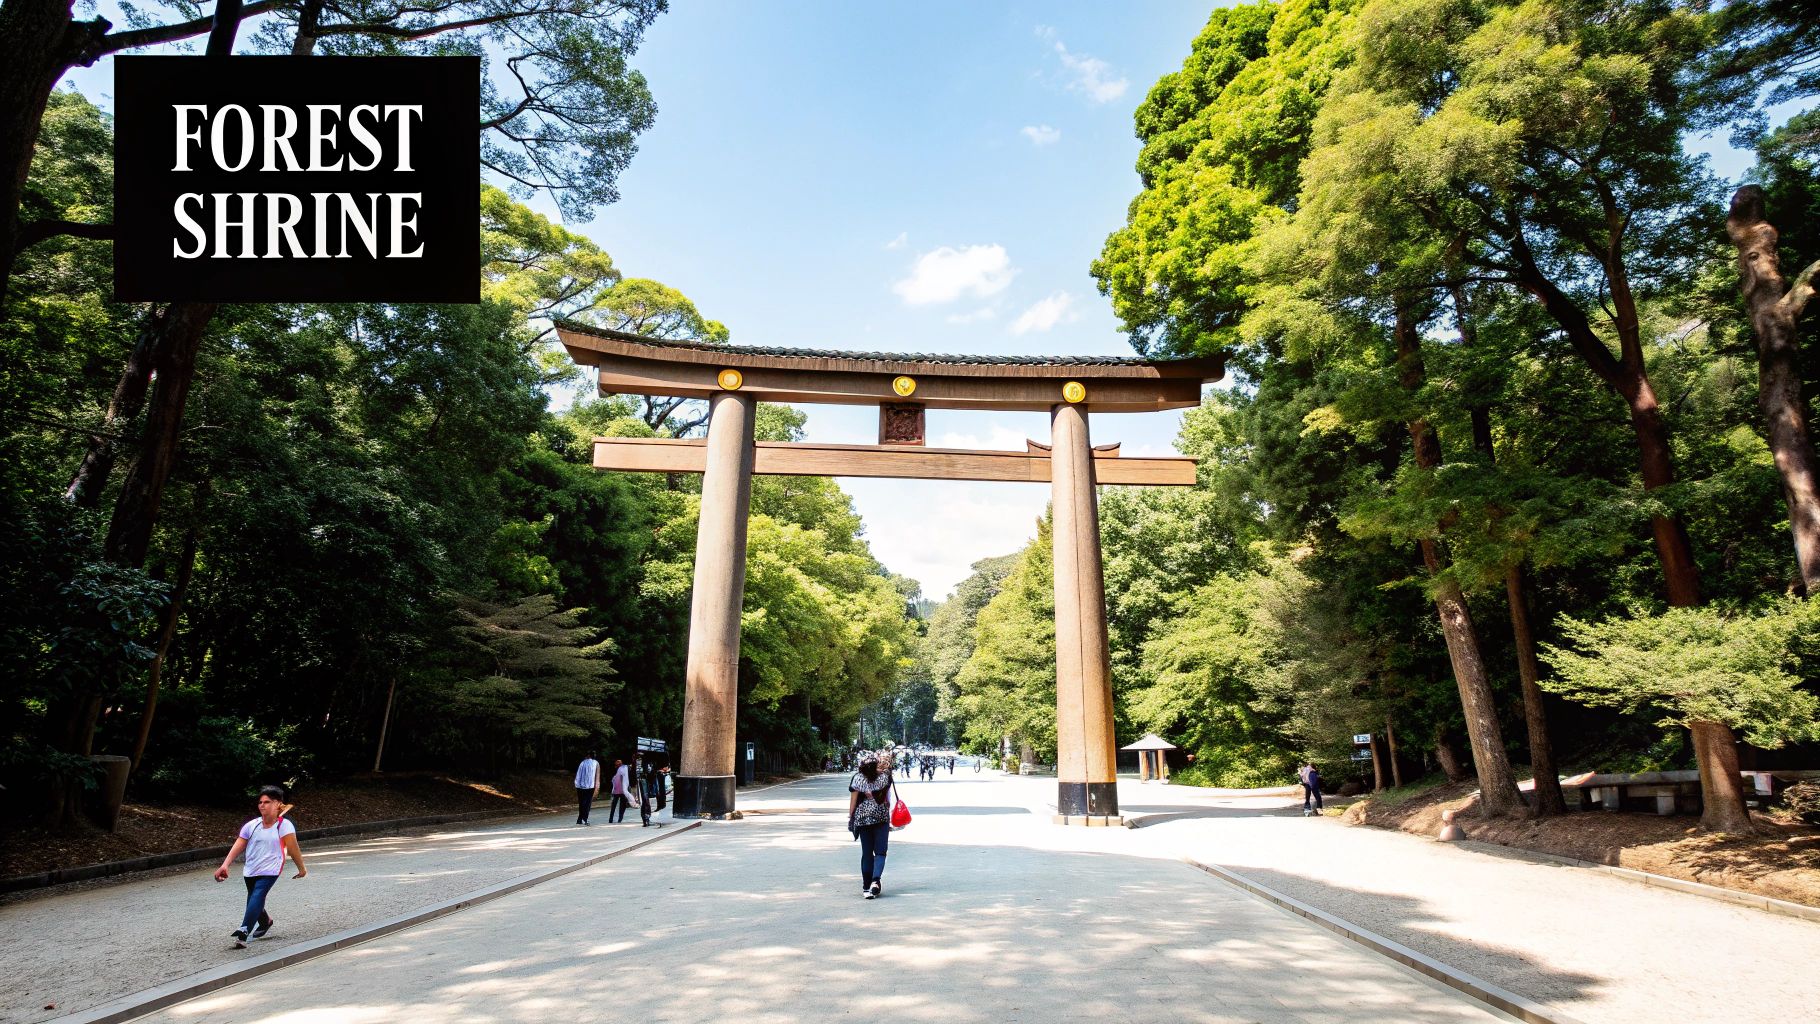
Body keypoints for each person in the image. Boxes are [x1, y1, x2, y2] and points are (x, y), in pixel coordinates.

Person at [214, 785, 307, 948]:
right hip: (251, 869)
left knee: (257, 896)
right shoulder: (252, 825)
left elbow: (293, 849)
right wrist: (225, 865)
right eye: (260, 802)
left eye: (267, 802)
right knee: (253, 899)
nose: (262, 805)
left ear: (278, 804)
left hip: (271, 868)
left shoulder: (284, 826)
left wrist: (302, 868)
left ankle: (243, 932)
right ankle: (265, 921)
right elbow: (238, 845)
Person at [847, 754, 895, 899]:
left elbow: (853, 801)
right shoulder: (884, 778)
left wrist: (851, 817)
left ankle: (866, 888)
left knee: (866, 853)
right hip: (881, 818)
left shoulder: (857, 779)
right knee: (880, 852)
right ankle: (875, 880)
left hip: (862, 820)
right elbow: (887, 792)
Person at [574, 750, 601, 825]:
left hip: (580, 787)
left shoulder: (582, 763)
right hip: (590, 787)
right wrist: (597, 787)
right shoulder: (596, 763)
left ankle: (580, 819)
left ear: (588, 755)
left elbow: (578, 774)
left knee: (581, 803)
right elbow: (597, 776)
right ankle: (584, 819)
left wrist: (577, 784)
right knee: (587, 804)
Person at [609, 758, 633, 823]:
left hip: (619, 791)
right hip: (620, 790)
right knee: (620, 806)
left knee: (615, 805)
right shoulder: (624, 769)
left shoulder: (623, 769)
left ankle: (613, 819)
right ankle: (617, 819)